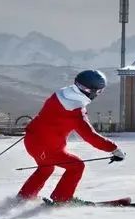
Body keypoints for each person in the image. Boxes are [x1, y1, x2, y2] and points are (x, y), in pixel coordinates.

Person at [17, 69, 126, 204]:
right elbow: (90, 136)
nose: (98, 94)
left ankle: (24, 197)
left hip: (33, 140)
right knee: (77, 166)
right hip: (47, 148)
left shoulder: (61, 93)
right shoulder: (75, 111)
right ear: (90, 91)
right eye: (98, 91)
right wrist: (114, 149)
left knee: (46, 168)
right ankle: (62, 199)